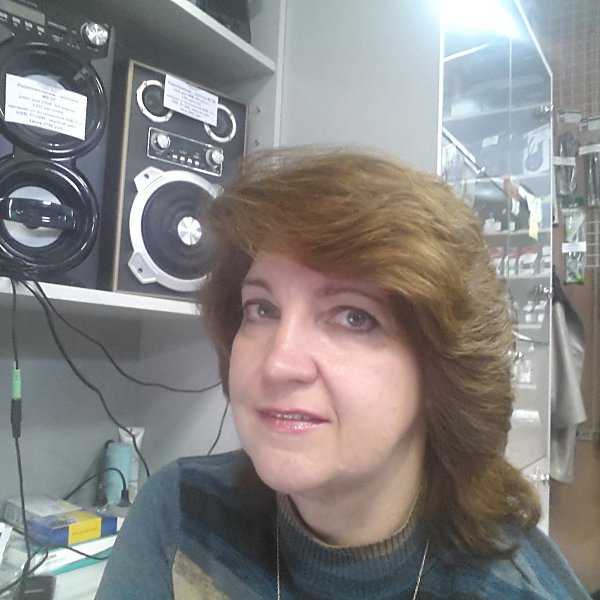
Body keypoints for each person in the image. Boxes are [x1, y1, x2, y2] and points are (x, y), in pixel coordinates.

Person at [95, 146, 591, 599]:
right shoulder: (181, 514)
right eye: (262, 309)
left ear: (441, 374)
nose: (278, 363)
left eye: (355, 317)